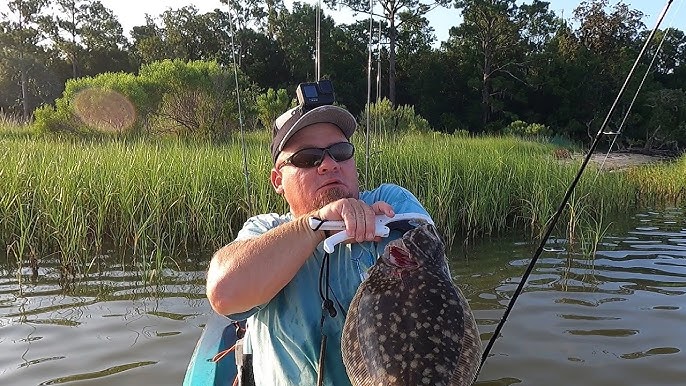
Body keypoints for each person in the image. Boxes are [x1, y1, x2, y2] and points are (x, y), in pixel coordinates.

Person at [206, 101, 431, 386]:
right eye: (307, 157)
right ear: (278, 180)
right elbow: (224, 293)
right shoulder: (265, 230)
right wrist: (318, 224)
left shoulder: (390, 205)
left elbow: (428, 265)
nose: (329, 164)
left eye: (340, 152)